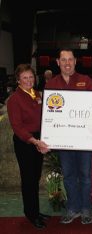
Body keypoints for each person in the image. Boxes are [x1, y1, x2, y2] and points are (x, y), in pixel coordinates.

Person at [45, 48, 92, 225]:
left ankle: (86, 209)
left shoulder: (86, 81)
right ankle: (73, 208)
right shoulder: (51, 85)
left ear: (75, 61)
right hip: (63, 141)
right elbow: (48, 115)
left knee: (85, 176)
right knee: (68, 175)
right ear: (58, 63)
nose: (67, 63)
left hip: (84, 140)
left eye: (70, 59)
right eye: (63, 60)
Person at [7, 64, 50, 229]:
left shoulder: (37, 94)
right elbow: (17, 127)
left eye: (31, 77)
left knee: (36, 177)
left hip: (38, 139)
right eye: (25, 78)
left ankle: (36, 211)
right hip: (25, 142)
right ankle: (31, 215)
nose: (28, 80)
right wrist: (34, 141)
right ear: (18, 80)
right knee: (28, 179)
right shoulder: (14, 100)